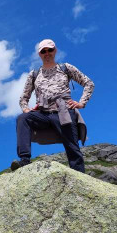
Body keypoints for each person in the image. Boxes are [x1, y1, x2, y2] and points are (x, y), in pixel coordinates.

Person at [11, 39, 94, 173]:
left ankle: (80, 175)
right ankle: (24, 160)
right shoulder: (34, 74)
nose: (47, 53)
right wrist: (26, 110)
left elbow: (88, 83)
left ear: (55, 50)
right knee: (23, 118)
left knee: (72, 147)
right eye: (43, 51)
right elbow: (23, 98)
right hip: (43, 113)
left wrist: (81, 103)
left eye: (49, 50)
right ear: (39, 54)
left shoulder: (65, 68)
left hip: (64, 112)